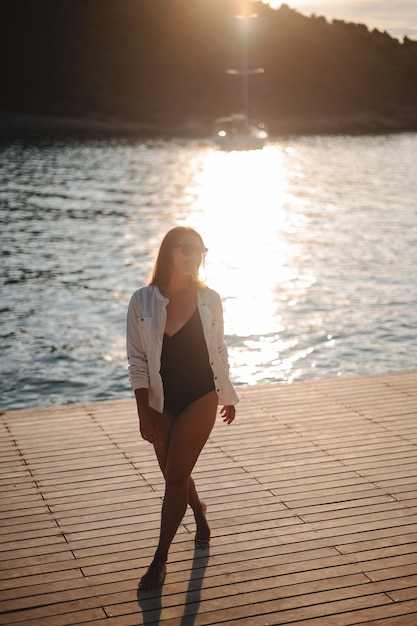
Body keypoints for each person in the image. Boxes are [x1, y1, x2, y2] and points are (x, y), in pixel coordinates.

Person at [126, 226, 239, 590]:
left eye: (199, 251)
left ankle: (159, 560)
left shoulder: (210, 299)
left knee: (174, 477)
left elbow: (218, 351)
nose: (193, 257)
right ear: (169, 252)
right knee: (174, 473)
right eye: (186, 250)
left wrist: (228, 396)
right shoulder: (142, 300)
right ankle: (200, 513)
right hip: (161, 399)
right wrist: (144, 412)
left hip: (201, 395)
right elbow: (137, 361)